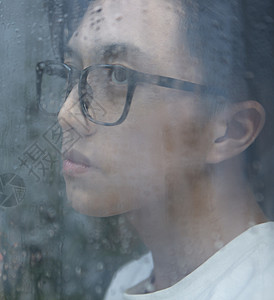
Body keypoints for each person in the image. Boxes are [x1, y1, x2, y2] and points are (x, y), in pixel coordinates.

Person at [36, 0, 274, 298]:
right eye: (73, 70)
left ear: (229, 130)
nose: (67, 113)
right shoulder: (131, 280)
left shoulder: (259, 287)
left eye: (118, 75)